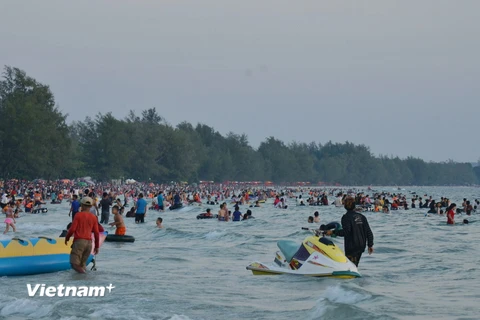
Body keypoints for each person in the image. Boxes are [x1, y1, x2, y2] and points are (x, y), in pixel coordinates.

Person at [326, 196, 374, 267]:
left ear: (345, 206)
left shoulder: (346, 217)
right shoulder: (361, 217)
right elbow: (368, 232)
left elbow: (346, 232)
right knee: (354, 265)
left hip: (352, 246)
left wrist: (333, 232)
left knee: (350, 267)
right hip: (361, 245)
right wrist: (370, 245)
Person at [65, 197, 100, 274]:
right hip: (89, 243)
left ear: (82, 205)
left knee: (74, 264)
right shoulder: (94, 217)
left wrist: (67, 238)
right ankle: (83, 282)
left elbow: (72, 229)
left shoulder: (78, 215)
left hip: (79, 242)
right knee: (82, 264)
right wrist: (97, 246)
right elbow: (97, 233)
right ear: (91, 206)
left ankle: (85, 275)